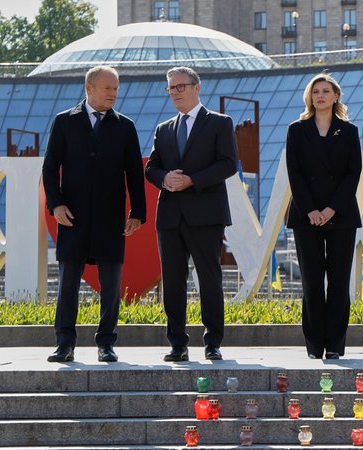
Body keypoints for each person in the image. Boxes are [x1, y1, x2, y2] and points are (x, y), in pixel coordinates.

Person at [42, 65, 147, 363]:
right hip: (71, 218)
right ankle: (65, 343)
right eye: (107, 88)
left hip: (110, 219)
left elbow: (134, 174)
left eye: (115, 88)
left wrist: (137, 212)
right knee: (67, 284)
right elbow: (50, 168)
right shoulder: (65, 122)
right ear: (89, 88)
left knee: (111, 284)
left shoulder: (125, 126)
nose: (113, 93)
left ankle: (106, 343)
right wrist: (56, 204)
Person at [145, 67, 238, 362]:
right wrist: (164, 178)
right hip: (170, 217)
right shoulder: (164, 129)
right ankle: (177, 344)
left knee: (209, 280)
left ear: (197, 88)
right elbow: (151, 167)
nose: (175, 93)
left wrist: (192, 180)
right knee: (172, 282)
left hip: (206, 215)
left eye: (180, 87)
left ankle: (213, 343)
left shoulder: (220, 123)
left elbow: (228, 164)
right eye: (171, 88)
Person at [285, 73, 362, 360]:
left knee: (339, 282)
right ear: (309, 97)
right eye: (315, 91)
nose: (320, 95)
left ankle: (335, 346)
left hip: (341, 215)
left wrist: (331, 209)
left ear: (335, 96)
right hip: (306, 215)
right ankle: (314, 346)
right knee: (312, 282)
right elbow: (295, 172)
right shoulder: (296, 129)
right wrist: (311, 210)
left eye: (326, 91)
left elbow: (353, 172)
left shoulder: (349, 131)